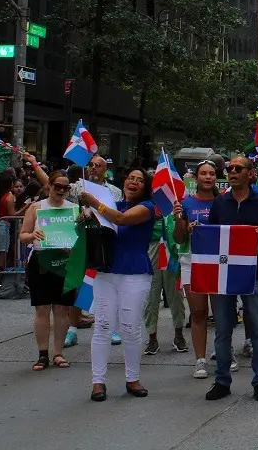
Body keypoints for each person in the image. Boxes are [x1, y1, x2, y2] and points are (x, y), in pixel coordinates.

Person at [203, 155, 258, 402]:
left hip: (253, 274)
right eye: (229, 168)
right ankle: (222, 381)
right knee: (223, 330)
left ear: (250, 173)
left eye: (238, 168)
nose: (232, 171)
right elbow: (211, 237)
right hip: (224, 276)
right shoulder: (219, 203)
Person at [78, 168, 158, 402]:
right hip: (106, 271)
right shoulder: (112, 204)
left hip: (135, 272)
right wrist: (85, 215)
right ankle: (97, 382)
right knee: (102, 326)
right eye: (130, 178)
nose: (133, 182)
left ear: (145, 187)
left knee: (130, 327)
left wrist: (94, 203)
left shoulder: (148, 207)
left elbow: (121, 220)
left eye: (139, 180)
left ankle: (132, 378)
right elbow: (97, 224)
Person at [18, 170, 77, 371]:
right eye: (57, 186)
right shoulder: (36, 208)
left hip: (64, 262)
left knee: (62, 309)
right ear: (48, 187)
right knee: (42, 308)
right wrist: (32, 234)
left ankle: (58, 353)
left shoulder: (74, 210)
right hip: (41, 261)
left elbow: (79, 238)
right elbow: (23, 235)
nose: (61, 190)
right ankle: (43, 353)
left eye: (65, 187)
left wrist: (74, 246)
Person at [66, 156, 123, 348]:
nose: (94, 168)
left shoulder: (114, 191)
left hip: (106, 240)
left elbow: (117, 215)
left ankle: (112, 328)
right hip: (83, 239)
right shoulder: (77, 187)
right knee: (79, 284)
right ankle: (72, 330)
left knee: (108, 284)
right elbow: (59, 198)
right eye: (91, 165)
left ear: (105, 170)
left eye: (99, 166)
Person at [172, 159, 221, 379]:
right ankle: (200, 360)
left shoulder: (224, 202)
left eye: (212, 173)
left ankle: (224, 352)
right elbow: (179, 238)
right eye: (204, 174)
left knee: (221, 312)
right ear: (196, 177)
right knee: (198, 312)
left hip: (220, 261)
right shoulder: (186, 204)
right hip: (192, 261)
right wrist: (180, 221)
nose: (208, 177)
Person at [143, 195, 187, 356]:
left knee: (175, 294)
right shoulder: (145, 204)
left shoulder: (175, 200)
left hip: (172, 250)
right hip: (151, 248)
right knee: (151, 295)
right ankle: (152, 336)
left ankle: (179, 334)